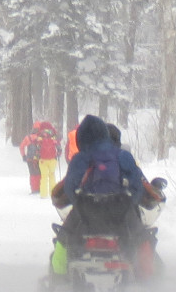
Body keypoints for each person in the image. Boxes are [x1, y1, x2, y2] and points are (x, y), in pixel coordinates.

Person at [48, 115, 163, 279]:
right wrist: (129, 203)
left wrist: (80, 203)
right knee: (142, 237)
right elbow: (137, 186)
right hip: (120, 214)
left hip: (87, 215)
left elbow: (69, 187)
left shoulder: (80, 158)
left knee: (64, 236)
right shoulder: (123, 156)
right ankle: (148, 277)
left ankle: (58, 276)